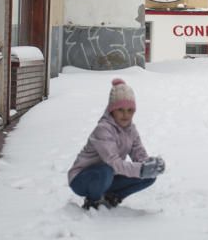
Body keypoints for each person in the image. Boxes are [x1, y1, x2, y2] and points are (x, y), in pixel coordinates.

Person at [68, 78, 166, 210]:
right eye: (120, 110)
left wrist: (150, 165)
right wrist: (140, 169)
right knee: (106, 170)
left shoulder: (131, 130)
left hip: (108, 177)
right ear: (111, 110)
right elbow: (113, 162)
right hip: (82, 179)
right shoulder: (103, 129)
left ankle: (112, 196)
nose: (126, 115)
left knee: (148, 177)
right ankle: (92, 201)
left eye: (130, 110)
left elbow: (139, 154)